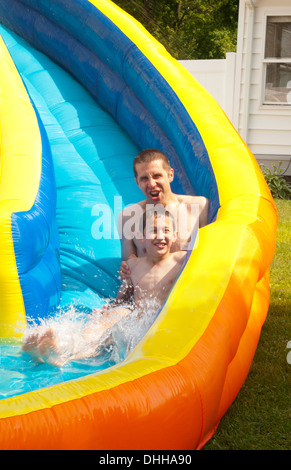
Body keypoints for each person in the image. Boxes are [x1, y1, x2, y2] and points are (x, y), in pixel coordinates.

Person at [22, 207, 186, 366]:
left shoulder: (180, 261)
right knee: (106, 331)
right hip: (137, 323)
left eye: (166, 231)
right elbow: (124, 299)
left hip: (159, 325)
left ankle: (61, 358)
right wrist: (108, 310)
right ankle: (57, 347)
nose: (160, 236)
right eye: (153, 231)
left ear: (175, 235)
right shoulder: (134, 265)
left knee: (115, 336)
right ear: (142, 236)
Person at [118, 148, 208, 279]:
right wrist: (125, 270)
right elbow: (128, 273)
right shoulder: (128, 217)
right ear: (137, 182)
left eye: (157, 176)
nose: (151, 184)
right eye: (144, 179)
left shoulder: (199, 207)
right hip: (149, 292)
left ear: (170, 175)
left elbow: (209, 255)